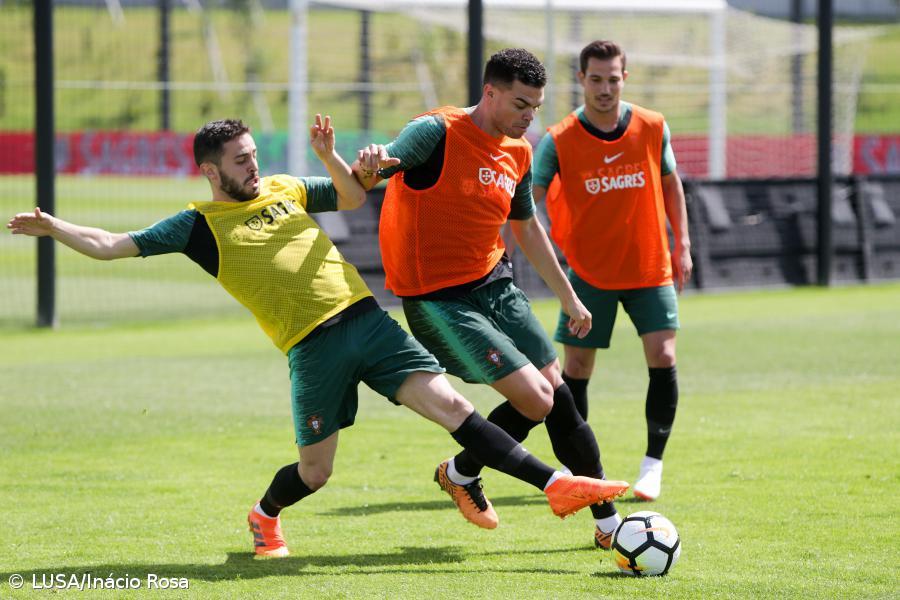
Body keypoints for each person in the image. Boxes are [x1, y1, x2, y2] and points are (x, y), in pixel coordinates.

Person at [7, 116, 629, 558]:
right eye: (241, 160)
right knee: (315, 472)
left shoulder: (283, 186)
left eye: (254, 154)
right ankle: (265, 516)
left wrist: (335, 157)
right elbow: (113, 246)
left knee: (454, 408)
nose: (254, 165)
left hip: (366, 319)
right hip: (312, 349)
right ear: (210, 171)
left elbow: (357, 194)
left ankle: (556, 485)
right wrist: (55, 226)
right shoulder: (197, 225)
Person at [353, 48, 629, 547]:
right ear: (490, 92)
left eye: (536, 107)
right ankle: (472, 475)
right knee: (535, 397)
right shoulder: (437, 131)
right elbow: (383, 164)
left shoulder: (518, 151)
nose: (529, 116)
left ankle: (607, 523)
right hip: (438, 300)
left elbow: (526, 227)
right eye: (521, 104)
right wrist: (373, 162)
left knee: (557, 395)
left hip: (494, 284)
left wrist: (568, 296)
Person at [532, 40, 693, 505]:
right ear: (581, 79)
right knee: (576, 369)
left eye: (613, 78)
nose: (605, 88)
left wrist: (681, 243)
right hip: (588, 273)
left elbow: (670, 184)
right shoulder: (559, 138)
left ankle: (652, 467)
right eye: (596, 79)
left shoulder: (651, 126)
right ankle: (579, 468)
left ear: (626, 77)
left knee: (662, 356)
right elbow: (530, 198)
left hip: (649, 266)